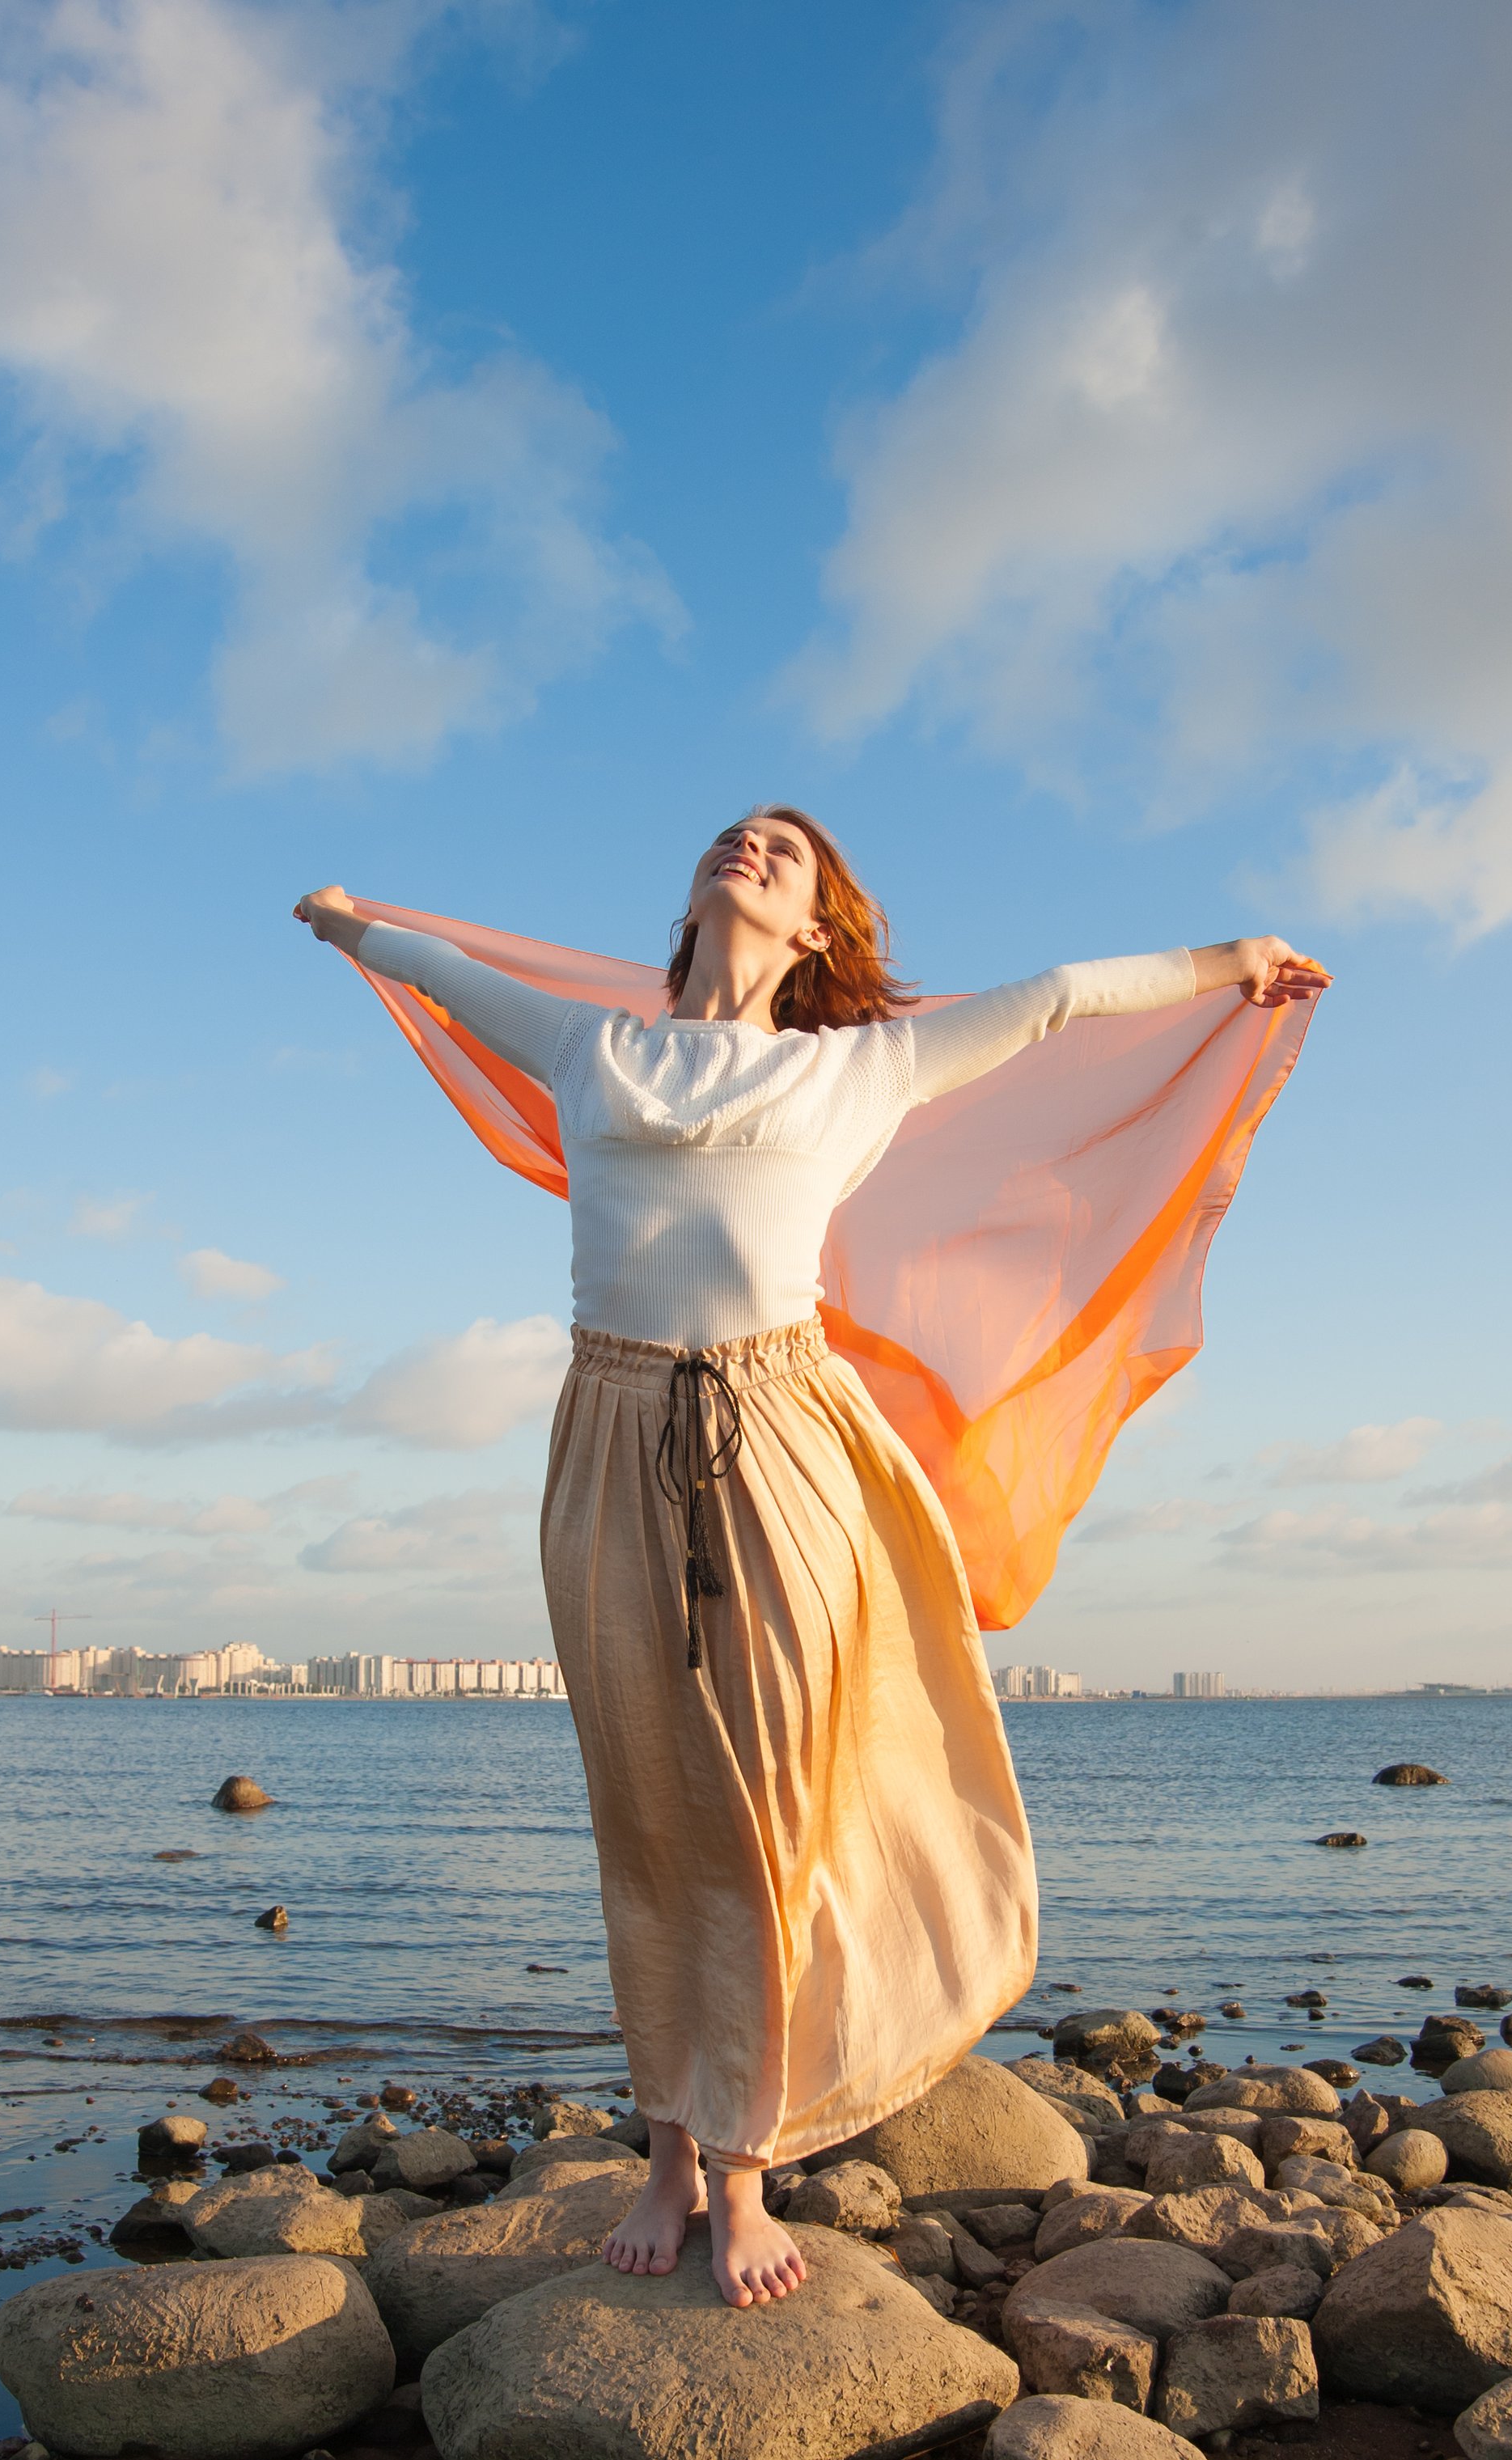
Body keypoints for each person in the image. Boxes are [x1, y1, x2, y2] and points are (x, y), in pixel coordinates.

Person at [294, 811, 1327, 2310]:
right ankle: (667, 2150)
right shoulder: (590, 1046)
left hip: (778, 1429)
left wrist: (1224, 961)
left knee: (768, 1795)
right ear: (697, 897)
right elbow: (446, 974)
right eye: (734, 838)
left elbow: (1050, 999)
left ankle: (743, 2169)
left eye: (786, 850)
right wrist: (345, 924)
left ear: (821, 929)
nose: (751, 850)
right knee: (650, 1802)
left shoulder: (859, 1067)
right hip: (609, 1426)